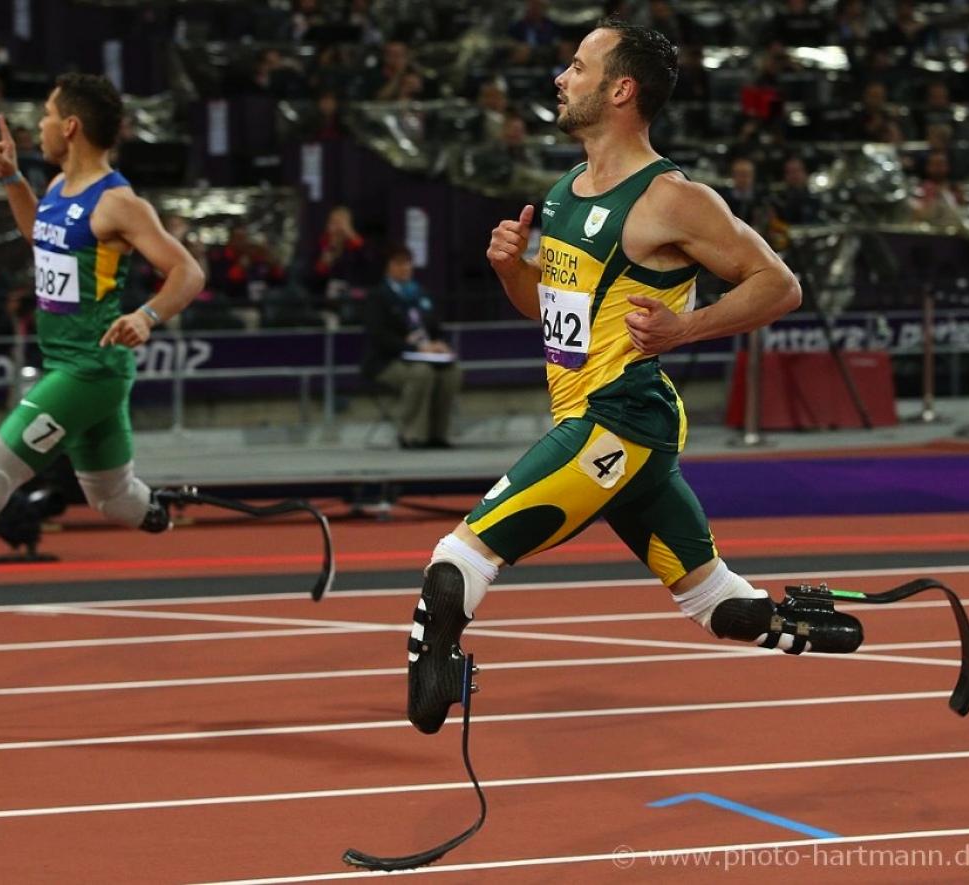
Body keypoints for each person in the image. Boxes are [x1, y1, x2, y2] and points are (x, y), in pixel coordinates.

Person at [406, 19, 864, 736]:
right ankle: (802, 623)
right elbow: (553, 319)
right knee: (716, 604)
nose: (561, 78)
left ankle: (432, 691)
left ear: (621, 89)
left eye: (579, 67)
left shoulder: (672, 198)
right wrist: (512, 271)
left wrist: (686, 327)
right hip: (592, 419)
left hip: (620, 420)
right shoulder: (564, 191)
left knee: (457, 557)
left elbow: (779, 286)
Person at [0, 73, 204, 546]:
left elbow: (189, 273)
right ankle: (161, 511)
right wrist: (13, 180)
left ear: (70, 126)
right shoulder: (62, 185)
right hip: (69, 362)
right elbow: (39, 237)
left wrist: (145, 317)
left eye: (45, 114)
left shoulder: (119, 204)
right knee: (113, 498)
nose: (38, 125)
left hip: (90, 369)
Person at [361, 245, 462, 449]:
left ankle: (437, 434)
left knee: (452, 372)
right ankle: (412, 434)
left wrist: (440, 344)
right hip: (388, 361)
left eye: (408, 263)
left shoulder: (420, 295)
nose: (405, 268)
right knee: (421, 374)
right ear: (388, 267)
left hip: (425, 357)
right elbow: (379, 337)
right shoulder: (378, 297)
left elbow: (435, 328)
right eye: (399, 263)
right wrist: (414, 349)